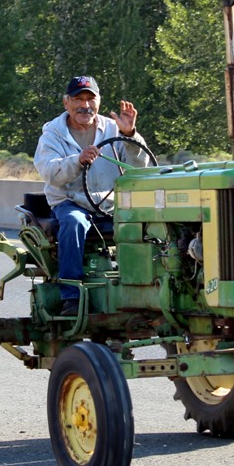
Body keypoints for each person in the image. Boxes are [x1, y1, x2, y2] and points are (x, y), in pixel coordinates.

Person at [34, 75, 151, 316]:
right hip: (71, 201)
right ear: (66, 102)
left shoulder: (113, 127)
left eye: (90, 98)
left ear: (98, 102)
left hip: (108, 204)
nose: (85, 105)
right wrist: (77, 160)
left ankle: (140, 288)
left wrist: (130, 136)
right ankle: (71, 296)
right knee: (74, 222)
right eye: (78, 99)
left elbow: (139, 167)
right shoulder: (53, 132)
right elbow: (49, 171)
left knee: (148, 224)